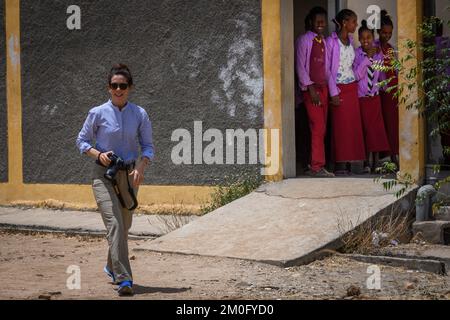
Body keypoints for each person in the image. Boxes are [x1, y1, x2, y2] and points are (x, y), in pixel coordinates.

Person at [76, 64, 155, 296]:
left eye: (122, 85)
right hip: (103, 175)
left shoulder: (139, 114)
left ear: (129, 88)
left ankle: (111, 266)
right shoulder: (97, 113)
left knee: (124, 226)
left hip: (129, 175)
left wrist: (141, 165)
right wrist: (97, 154)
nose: (118, 89)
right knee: (116, 225)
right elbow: (81, 141)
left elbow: (148, 146)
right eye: (114, 85)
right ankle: (125, 280)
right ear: (108, 88)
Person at [295, 6, 334, 177]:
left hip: (323, 88)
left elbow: (326, 70)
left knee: (322, 128)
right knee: (318, 126)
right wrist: (310, 89)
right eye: (317, 21)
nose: (321, 24)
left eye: (323, 22)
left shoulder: (323, 41)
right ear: (311, 21)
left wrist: (332, 92)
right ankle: (317, 166)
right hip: (311, 90)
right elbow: (300, 67)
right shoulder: (304, 40)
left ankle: (316, 164)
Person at [327, 9, 366, 175]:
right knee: (340, 128)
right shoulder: (331, 42)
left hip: (352, 88)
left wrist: (367, 61)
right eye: (353, 21)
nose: (356, 25)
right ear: (344, 22)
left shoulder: (350, 41)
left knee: (353, 127)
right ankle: (340, 164)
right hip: (338, 88)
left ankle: (352, 163)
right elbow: (327, 70)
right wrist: (333, 92)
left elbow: (354, 68)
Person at [354, 20, 390, 173]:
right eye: (362, 38)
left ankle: (375, 162)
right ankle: (365, 163)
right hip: (362, 98)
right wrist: (367, 59)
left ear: (372, 37)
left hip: (374, 97)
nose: (365, 41)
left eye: (368, 37)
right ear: (359, 39)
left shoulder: (379, 54)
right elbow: (356, 75)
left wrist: (386, 87)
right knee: (365, 131)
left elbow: (381, 74)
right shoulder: (357, 54)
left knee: (376, 131)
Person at [376, 10, 399, 168]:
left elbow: (396, 69)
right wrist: (384, 87)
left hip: (394, 90)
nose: (387, 36)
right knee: (383, 124)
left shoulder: (391, 48)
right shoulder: (375, 47)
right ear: (378, 32)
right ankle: (385, 156)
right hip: (382, 91)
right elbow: (376, 71)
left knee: (394, 124)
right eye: (384, 33)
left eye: (390, 33)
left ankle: (394, 155)